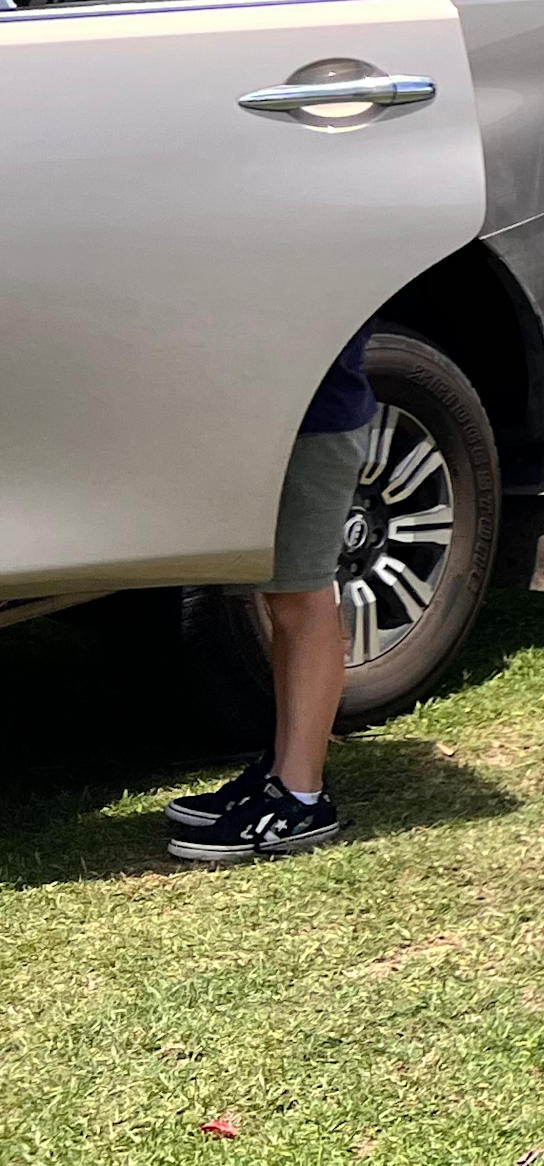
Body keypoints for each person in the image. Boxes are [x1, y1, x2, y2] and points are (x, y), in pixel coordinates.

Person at [162, 330, 368, 863]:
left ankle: (302, 797)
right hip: (282, 420)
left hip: (313, 423)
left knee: (303, 598)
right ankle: (282, 772)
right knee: (284, 602)